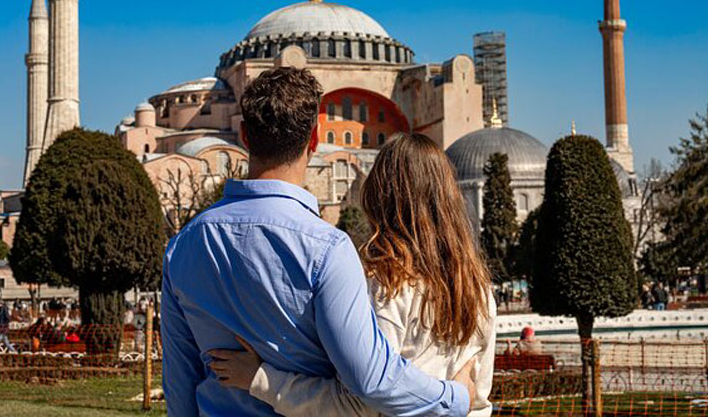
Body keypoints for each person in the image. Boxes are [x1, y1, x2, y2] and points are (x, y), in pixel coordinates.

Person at [162, 67, 476, 416]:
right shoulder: (326, 248)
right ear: (313, 141)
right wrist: (456, 398)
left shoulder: (183, 247)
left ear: (243, 137)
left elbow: (180, 380)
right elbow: (371, 379)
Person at [209, 132, 496, 416]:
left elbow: (358, 404)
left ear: (377, 194)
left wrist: (259, 380)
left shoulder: (387, 284)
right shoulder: (477, 289)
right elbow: (478, 400)